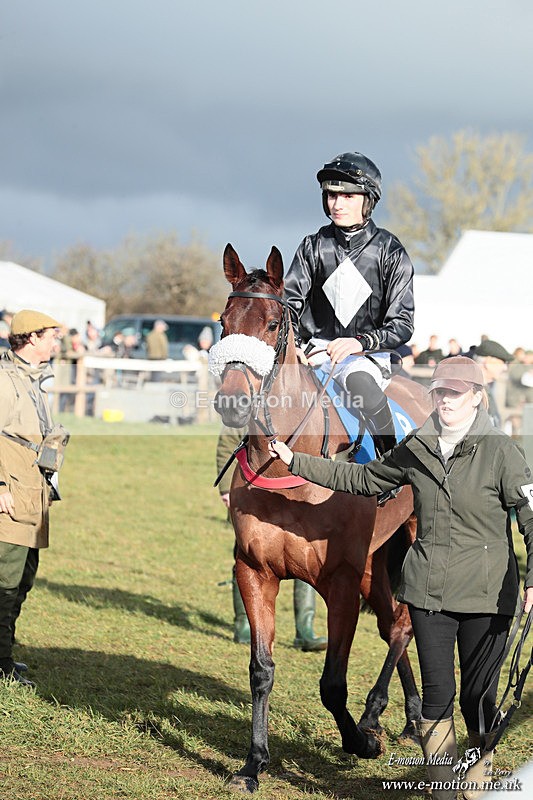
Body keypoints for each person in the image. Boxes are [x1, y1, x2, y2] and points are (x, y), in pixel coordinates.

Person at [269, 356, 533, 800]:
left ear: (476, 398)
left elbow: (530, 517)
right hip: (429, 592)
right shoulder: (418, 447)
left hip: (488, 595)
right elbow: (364, 478)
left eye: (455, 392)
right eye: (440, 391)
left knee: (476, 699)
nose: (445, 399)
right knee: (436, 699)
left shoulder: (501, 452)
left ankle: (478, 774)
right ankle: (443, 789)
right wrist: (297, 461)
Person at [283, 151, 414, 455]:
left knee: (361, 387)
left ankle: (389, 462)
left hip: (365, 357)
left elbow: (403, 324)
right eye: (331, 195)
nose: (337, 204)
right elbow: (289, 304)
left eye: (348, 196)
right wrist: (295, 346)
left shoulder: (390, 251)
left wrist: (359, 342)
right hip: (313, 352)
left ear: (368, 200)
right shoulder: (312, 246)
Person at [0, 309, 67, 687]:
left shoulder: (32, 377)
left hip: (32, 491)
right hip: (10, 494)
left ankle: (4, 654)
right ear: (31, 338)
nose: (57, 342)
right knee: (5, 583)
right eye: (51, 336)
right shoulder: (4, 379)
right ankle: (1, 663)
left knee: (22, 579)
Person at [216, 427, 327, 651]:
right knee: (247, 557)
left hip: (294, 499)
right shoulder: (247, 409)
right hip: (251, 498)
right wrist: (227, 489)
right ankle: (244, 626)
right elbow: (228, 442)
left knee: (304, 561)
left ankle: (305, 630)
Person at [471, 339, 514, 429]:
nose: (505, 368)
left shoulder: (484, 388)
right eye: (502, 362)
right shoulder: (469, 392)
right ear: (488, 362)